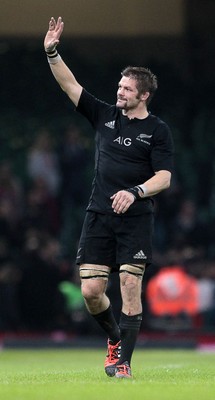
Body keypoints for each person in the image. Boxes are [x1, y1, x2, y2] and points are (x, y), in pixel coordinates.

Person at [44, 17, 174, 379]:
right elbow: (70, 86)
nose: (119, 92)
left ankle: (124, 365)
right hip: (99, 214)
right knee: (90, 292)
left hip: (135, 218)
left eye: (127, 89)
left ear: (144, 95)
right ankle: (114, 337)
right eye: (119, 86)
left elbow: (164, 177)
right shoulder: (103, 115)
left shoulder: (157, 130)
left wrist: (135, 192)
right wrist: (52, 51)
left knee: (130, 286)